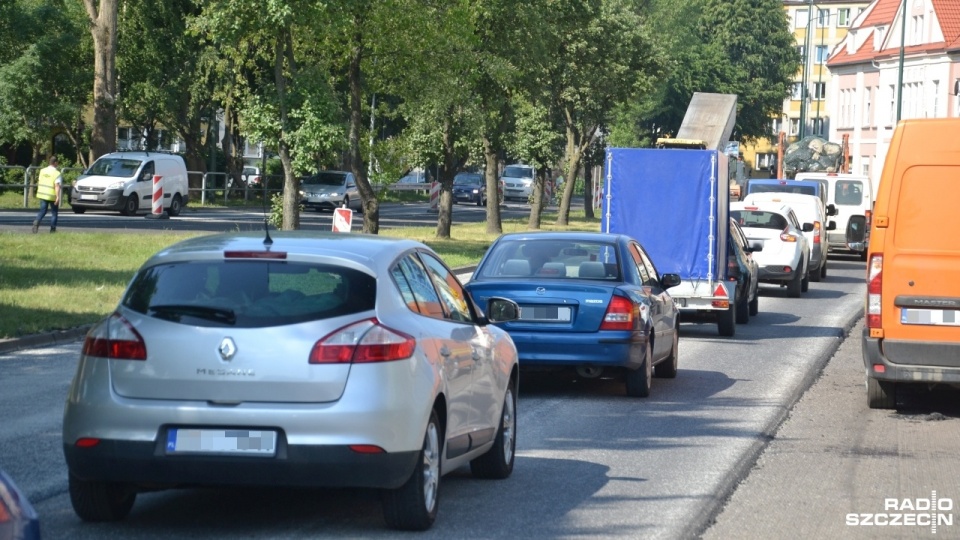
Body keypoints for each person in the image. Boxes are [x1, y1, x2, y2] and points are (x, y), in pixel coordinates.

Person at [33, 156, 62, 233]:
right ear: (55, 163)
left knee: (43, 211)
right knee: (54, 213)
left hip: (42, 194)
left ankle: (36, 222)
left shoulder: (42, 171)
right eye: (57, 162)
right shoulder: (56, 173)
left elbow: (40, 181)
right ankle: (52, 229)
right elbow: (57, 186)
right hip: (52, 195)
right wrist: (58, 197)